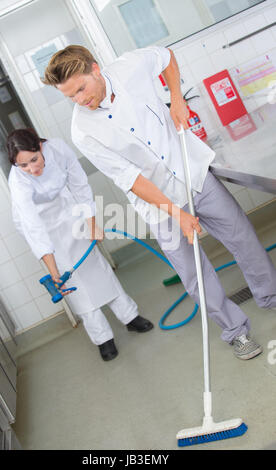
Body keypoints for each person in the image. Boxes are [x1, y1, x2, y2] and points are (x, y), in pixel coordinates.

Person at [42, 45, 276, 360]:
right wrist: (176, 213)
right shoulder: (83, 131)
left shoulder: (128, 67)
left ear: (95, 69)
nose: (80, 100)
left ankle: (270, 295)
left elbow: (166, 56)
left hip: (193, 173)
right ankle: (235, 332)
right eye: (70, 97)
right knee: (193, 273)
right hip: (154, 205)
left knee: (242, 237)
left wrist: (177, 100)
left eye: (81, 89)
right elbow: (132, 179)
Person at [7, 128, 153, 361]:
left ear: (40, 147)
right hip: (43, 225)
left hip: (68, 209)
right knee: (74, 281)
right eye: (23, 166)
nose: (32, 169)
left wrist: (92, 224)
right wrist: (54, 273)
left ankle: (130, 317)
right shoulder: (17, 181)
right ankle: (103, 338)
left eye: (34, 160)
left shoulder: (58, 149)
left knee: (96, 266)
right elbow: (33, 227)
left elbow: (80, 187)